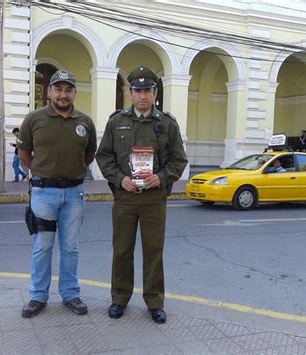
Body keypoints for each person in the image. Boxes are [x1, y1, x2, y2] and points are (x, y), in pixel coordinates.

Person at [95, 65, 188, 324]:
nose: (142, 96)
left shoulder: (167, 124)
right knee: (122, 250)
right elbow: (104, 157)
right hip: (125, 197)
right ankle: (119, 298)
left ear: (155, 92)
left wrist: (161, 177)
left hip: (154, 198)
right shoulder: (117, 122)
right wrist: (119, 179)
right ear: (130, 93)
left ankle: (155, 301)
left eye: (147, 90)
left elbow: (179, 161)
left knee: (153, 251)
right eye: (137, 91)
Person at [18, 69, 97, 318]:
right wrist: (44, 172)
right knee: (42, 246)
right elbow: (24, 154)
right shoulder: (34, 119)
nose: (64, 94)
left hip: (74, 193)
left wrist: (71, 171)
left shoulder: (85, 121)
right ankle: (38, 296)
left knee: (70, 247)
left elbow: (89, 154)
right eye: (59, 89)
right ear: (49, 91)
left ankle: (70, 293)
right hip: (44, 194)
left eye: (68, 89)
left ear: (74, 93)